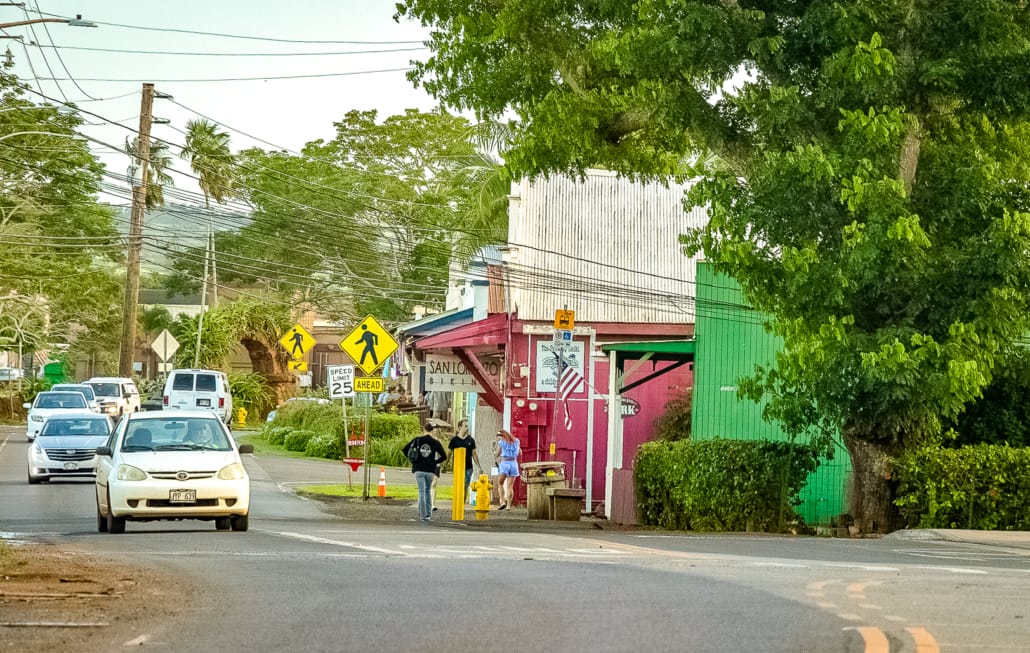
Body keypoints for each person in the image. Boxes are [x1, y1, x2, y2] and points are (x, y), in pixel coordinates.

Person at [403, 422, 447, 521]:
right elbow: (444, 456)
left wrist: (412, 460)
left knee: (421, 492)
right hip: (430, 470)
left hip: (419, 469)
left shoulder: (418, 440)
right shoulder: (435, 442)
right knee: (428, 491)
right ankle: (428, 514)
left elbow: (405, 449)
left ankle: (422, 515)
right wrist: (435, 462)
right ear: (432, 430)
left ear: (424, 430)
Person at [448, 419, 479, 504]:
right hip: (458, 466)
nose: (467, 428)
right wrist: (445, 465)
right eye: (465, 426)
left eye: (467, 426)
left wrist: (478, 466)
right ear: (459, 427)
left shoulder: (470, 440)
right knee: (458, 484)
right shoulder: (454, 440)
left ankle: (463, 502)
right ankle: (457, 501)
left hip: (468, 467)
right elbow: (449, 453)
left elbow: (474, 453)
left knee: (465, 484)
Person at [494, 429, 520, 510]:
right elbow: (519, 452)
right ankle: (508, 506)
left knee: (500, 483)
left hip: (505, 463)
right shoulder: (516, 441)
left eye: (499, 437)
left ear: (502, 436)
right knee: (510, 486)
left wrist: (493, 447)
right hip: (513, 464)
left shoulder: (501, 442)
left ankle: (502, 501)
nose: (500, 439)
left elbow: (496, 454)